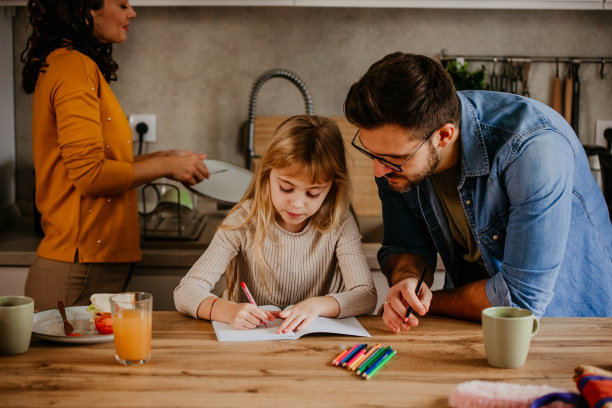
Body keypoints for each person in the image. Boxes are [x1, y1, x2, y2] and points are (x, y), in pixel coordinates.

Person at [344, 52, 612, 333]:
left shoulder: (532, 148)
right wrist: (407, 280)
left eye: (391, 158)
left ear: (445, 136)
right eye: (371, 153)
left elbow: (519, 302)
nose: (378, 171)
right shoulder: (398, 157)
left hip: (575, 327)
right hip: (471, 322)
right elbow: (405, 246)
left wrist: (430, 303)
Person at [20, 0, 210, 311]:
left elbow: (98, 164)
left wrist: (166, 158)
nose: (131, 12)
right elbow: (90, 176)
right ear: (84, 9)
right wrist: (165, 165)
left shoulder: (70, 63)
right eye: (121, 4)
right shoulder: (74, 66)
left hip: (85, 265)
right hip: (78, 267)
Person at [174, 115, 377, 332]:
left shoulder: (340, 222)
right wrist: (227, 311)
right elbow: (186, 291)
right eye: (286, 188)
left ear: (332, 188)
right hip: (247, 345)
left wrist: (318, 305)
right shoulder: (244, 219)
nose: (297, 204)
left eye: (313, 193)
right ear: (266, 175)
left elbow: (365, 295)